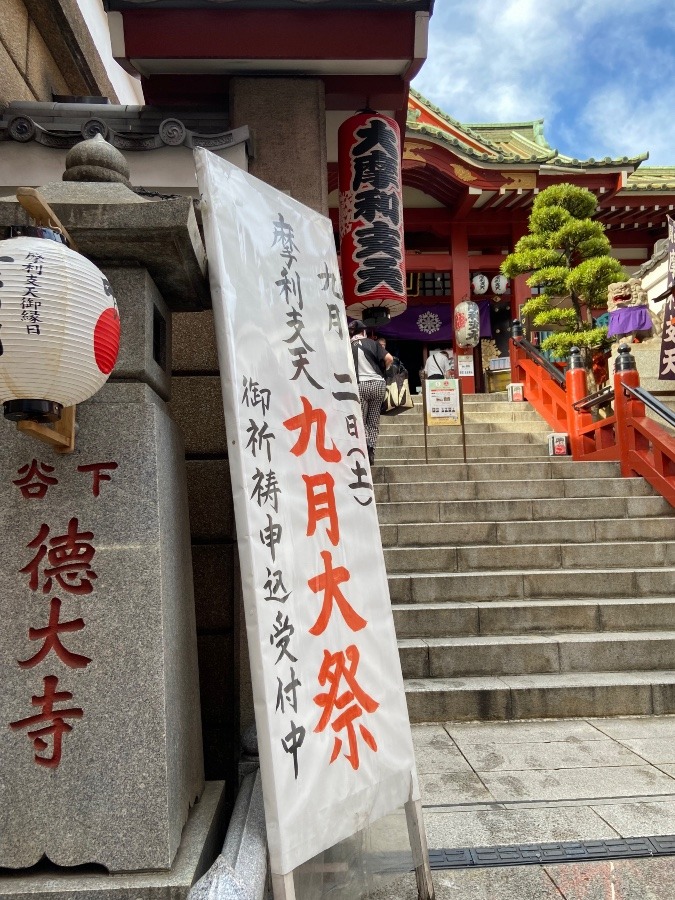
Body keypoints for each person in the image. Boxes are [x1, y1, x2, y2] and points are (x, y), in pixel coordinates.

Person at [349, 320, 393, 466]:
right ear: (363, 332)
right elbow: (389, 359)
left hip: (360, 386)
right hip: (377, 385)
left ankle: (365, 447)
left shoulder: (347, 346)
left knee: (361, 420)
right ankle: (371, 449)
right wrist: (382, 372)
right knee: (373, 421)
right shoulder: (373, 343)